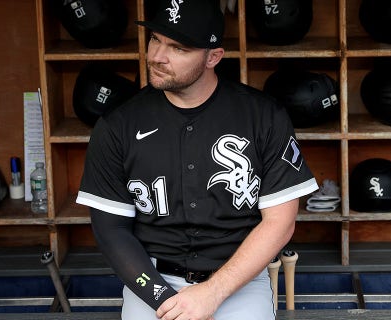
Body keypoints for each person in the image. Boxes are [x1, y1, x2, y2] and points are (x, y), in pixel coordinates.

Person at [75, 0, 319, 319]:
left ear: (212, 57)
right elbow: (111, 230)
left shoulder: (263, 116)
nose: (157, 56)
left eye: (178, 48)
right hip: (151, 282)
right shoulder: (117, 125)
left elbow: (280, 222)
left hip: (238, 281)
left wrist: (211, 293)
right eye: (155, 40)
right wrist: (164, 300)